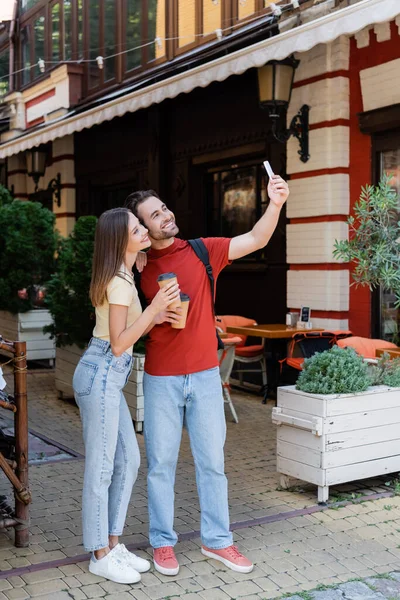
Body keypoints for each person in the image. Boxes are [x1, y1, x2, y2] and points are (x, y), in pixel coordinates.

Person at [124, 174, 289, 576]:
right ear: (142, 230)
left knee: (212, 462)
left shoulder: (202, 251)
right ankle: (163, 543)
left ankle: (218, 541)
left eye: (164, 208)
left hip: (204, 376)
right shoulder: (136, 266)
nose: (165, 216)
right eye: (154, 215)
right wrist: (133, 255)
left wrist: (276, 204)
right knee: (161, 463)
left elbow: (256, 239)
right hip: (160, 377)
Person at [72, 207, 180, 584]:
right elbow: (119, 344)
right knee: (102, 468)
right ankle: (99, 553)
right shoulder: (119, 281)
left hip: (108, 378)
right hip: (101, 372)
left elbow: (128, 330)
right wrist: (153, 311)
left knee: (129, 460)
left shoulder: (124, 274)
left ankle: (112, 542)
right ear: (122, 239)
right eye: (137, 229)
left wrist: (156, 316)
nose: (144, 230)